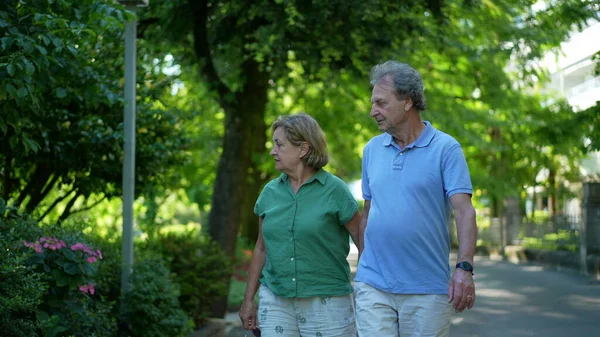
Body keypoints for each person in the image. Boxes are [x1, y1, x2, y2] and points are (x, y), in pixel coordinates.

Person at [354, 60, 478, 337]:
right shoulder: (372, 150)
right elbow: (368, 212)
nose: (372, 111)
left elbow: (465, 212)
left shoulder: (446, 148)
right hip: (373, 284)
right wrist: (363, 265)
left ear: (408, 102)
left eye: (381, 103)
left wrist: (464, 269)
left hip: (426, 288)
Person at [239, 113, 361, 337]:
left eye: (279, 144)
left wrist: (366, 294)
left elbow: (363, 243)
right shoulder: (269, 193)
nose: (272, 151)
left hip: (327, 303)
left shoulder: (335, 190)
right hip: (276, 299)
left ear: (303, 149)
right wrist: (248, 300)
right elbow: (260, 248)